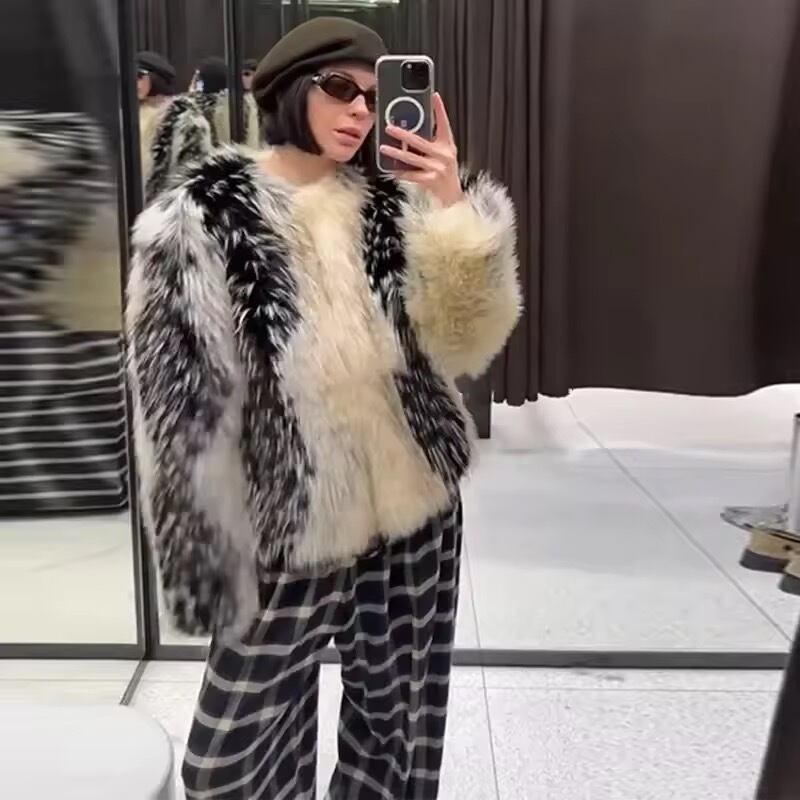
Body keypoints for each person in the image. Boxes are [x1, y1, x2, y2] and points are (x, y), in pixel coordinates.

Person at [126, 16, 521, 800]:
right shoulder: (205, 211)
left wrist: (451, 206)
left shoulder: (394, 202)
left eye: (374, 96)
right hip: (286, 523)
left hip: (414, 512)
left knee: (396, 734)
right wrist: (205, 557)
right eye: (341, 88)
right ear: (287, 90)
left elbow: (464, 344)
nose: (361, 111)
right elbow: (177, 399)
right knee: (230, 760)